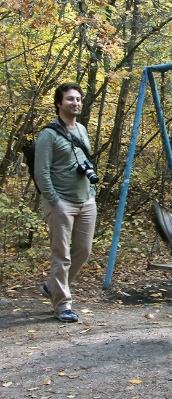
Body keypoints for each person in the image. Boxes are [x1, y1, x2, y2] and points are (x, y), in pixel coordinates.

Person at [35, 82, 98, 323]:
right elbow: (42, 173)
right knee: (62, 256)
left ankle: (53, 286)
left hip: (86, 201)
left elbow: (85, 161)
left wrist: (91, 192)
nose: (76, 103)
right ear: (59, 103)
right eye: (70, 99)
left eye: (79, 99)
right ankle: (62, 305)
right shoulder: (48, 135)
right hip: (60, 202)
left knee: (83, 250)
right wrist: (55, 201)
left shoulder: (81, 129)